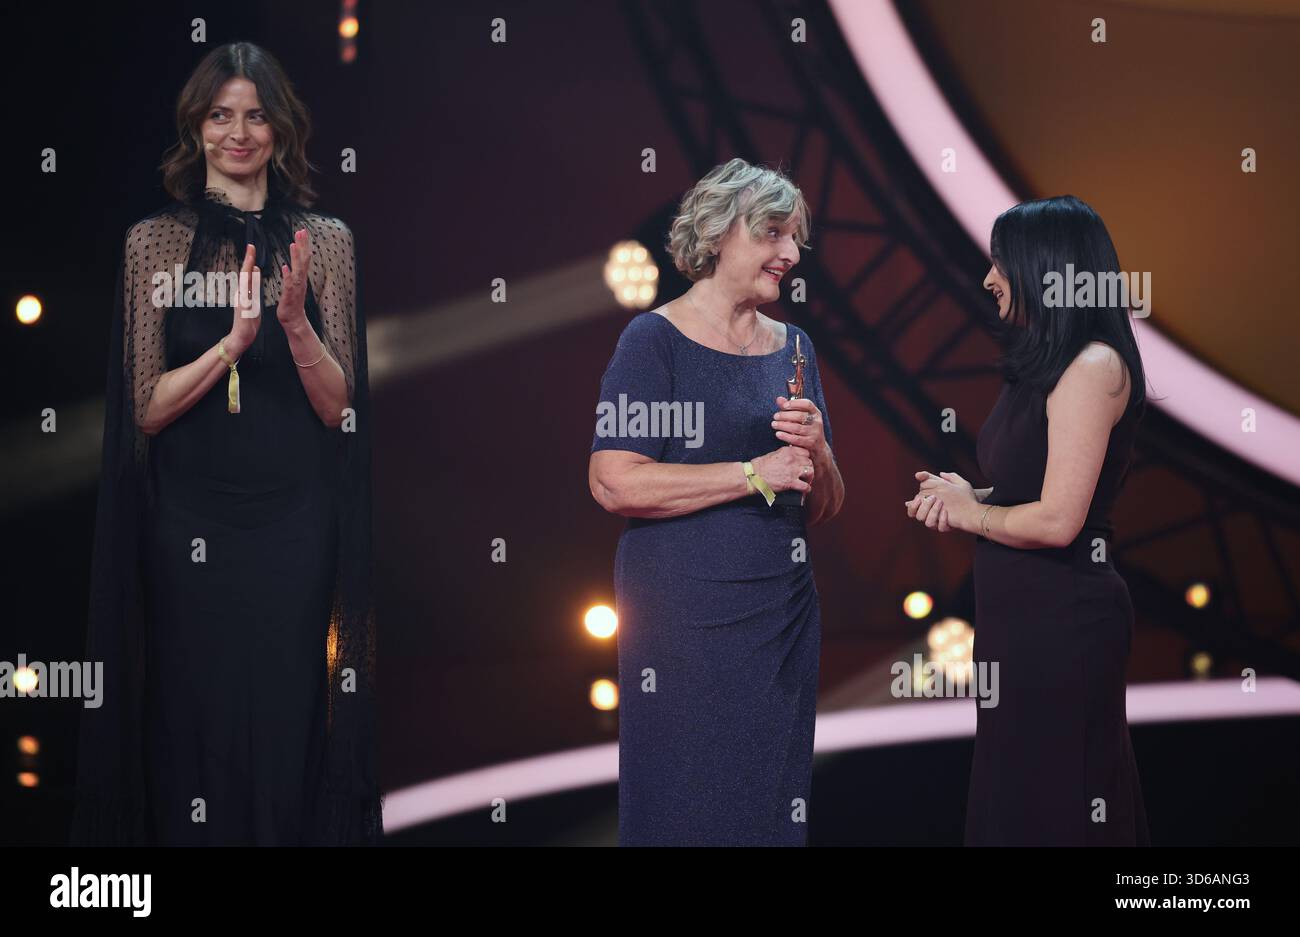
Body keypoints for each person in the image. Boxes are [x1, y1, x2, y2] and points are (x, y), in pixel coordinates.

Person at [73, 41, 381, 845]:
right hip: (190, 522)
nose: (237, 133)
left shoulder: (328, 241)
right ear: (197, 127)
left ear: (280, 131)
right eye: (220, 116)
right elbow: (145, 406)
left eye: (254, 116)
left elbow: (338, 405)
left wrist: (292, 326)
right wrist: (230, 345)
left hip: (294, 519)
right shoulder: (156, 243)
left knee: (287, 716)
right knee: (191, 716)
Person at [589, 158, 845, 845]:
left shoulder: (795, 348)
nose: (790, 254)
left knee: (769, 805)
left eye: (795, 239)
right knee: (686, 800)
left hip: (782, 613)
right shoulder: (653, 340)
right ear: (718, 232)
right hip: (685, 616)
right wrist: (752, 472)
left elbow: (822, 504)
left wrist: (817, 454)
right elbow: (615, 479)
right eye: (772, 233)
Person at [906, 195, 1149, 845]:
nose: (988, 279)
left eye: (999, 262)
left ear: (1045, 265)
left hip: (1065, 619)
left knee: (1059, 801)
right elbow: (1028, 489)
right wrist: (969, 492)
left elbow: (1060, 520)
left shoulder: (1095, 365)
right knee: (1016, 799)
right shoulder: (1037, 369)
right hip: (1019, 619)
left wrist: (973, 510)